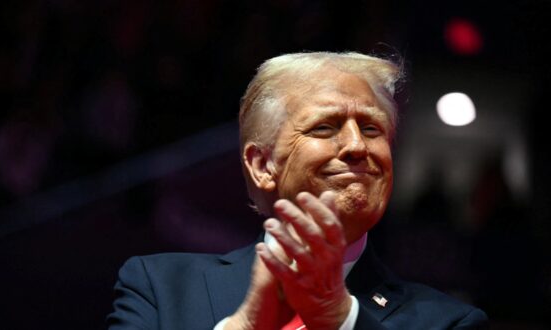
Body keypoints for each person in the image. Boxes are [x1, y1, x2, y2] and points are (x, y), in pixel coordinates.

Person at [107, 51, 488, 329]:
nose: (358, 145)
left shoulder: (450, 323)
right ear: (261, 165)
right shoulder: (160, 288)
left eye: (372, 129)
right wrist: (244, 326)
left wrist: (341, 319)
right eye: (325, 127)